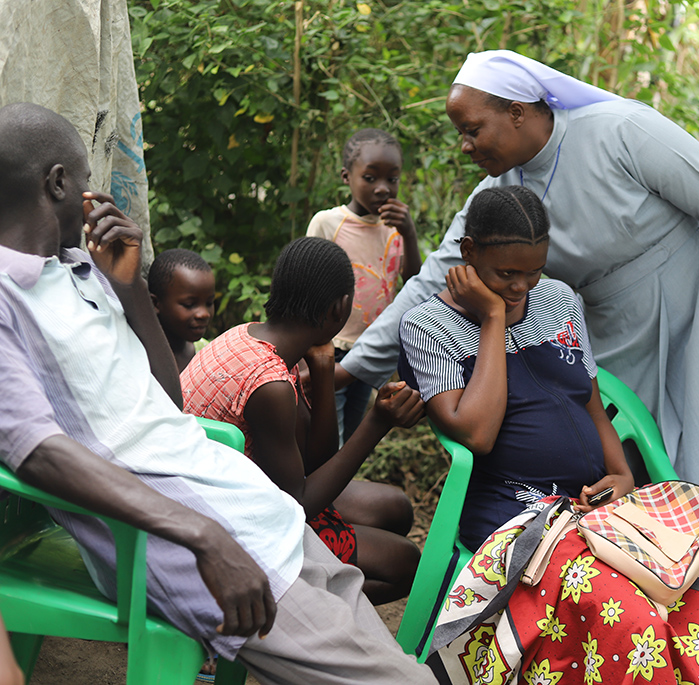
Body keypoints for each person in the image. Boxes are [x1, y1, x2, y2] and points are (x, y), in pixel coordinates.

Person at [337, 49, 699, 678]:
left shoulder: (621, 130)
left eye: (472, 129)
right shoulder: (498, 198)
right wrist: (349, 371)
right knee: (668, 465)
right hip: (617, 332)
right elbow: (428, 288)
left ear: (518, 111)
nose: (465, 146)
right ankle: (677, 630)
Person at [0, 101, 434, 684]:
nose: (91, 194)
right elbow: (36, 450)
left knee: (387, 655)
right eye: (83, 180)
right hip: (186, 538)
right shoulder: (8, 297)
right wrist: (202, 535)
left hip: (252, 507)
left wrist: (129, 293)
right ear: (58, 184)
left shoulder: (81, 269)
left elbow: (167, 403)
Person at [399, 185, 699, 684]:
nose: (522, 285)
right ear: (469, 253)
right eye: (506, 273)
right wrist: (493, 318)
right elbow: (477, 434)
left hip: (598, 507)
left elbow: (591, 404)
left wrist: (621, 472)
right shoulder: (429, 326)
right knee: (630, 618)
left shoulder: (560, 301)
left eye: (534, 271)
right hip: (521, 515)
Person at [182, 237, 421, 605]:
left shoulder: (250, 337)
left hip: (244, 493)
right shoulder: (269, 384)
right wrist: (376, 423)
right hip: (232, 524)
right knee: (405, 563)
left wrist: (324, 374)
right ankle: (276, 611)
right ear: (339, 310)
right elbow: (297, 504)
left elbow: (316, 463)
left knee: (395, 509)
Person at [307, 128, 421, 446]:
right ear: (347, 176)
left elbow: (414, 283)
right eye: (370, 178)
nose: (383, 189)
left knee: (353, 433)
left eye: (392, 179)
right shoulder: (328, 223)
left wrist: (409, 234)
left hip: (373, 350)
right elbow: (307, 285)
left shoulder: (395, 229)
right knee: (330, 438)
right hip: (334, 349)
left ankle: (337, 492)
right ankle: (319, 493)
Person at [148, 248, 216, 372]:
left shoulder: (206, 353)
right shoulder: (141, 357)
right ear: (156, 303)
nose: (204, 314)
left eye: (209, 303)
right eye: (189, 304)